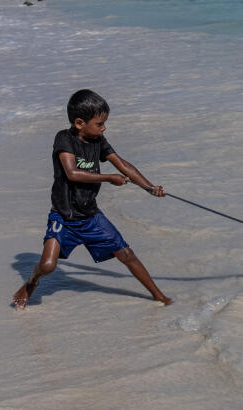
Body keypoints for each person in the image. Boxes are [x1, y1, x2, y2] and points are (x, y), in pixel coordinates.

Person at [13, 89, 173, 309]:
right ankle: (31, 282)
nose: (104, 128)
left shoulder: (98, 140)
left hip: (91, 217)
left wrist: (149, 187)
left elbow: (122, 164)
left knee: (126, 254)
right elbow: (72, 173)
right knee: (49, 265)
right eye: (99, 124)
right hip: (63, 217)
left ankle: (159, 296)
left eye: (104, 123)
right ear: (80, 123)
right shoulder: (64, 139)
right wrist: (109, 178)